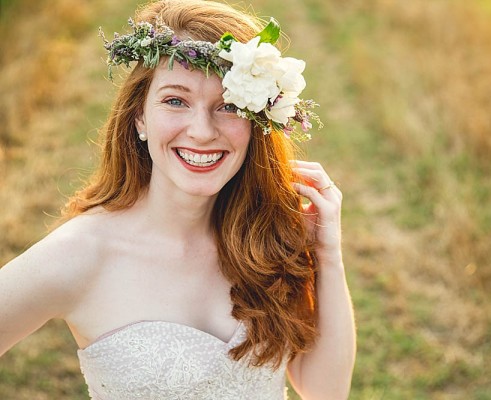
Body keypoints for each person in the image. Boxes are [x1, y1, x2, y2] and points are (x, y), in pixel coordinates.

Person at [0, 0, 355, 399]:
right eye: (175, 100)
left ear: (257, 123)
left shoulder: (267, 237)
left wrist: (327, 256)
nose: (202, 131)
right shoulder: (79, 254)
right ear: (139, 118)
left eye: (229, 106)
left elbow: (326, 391)